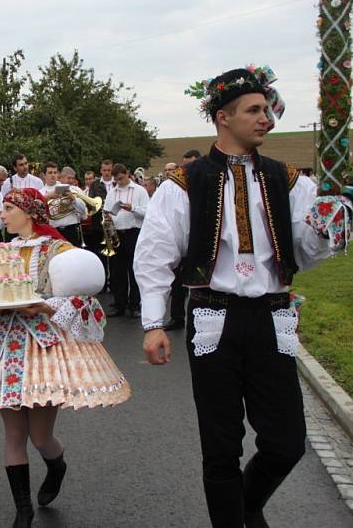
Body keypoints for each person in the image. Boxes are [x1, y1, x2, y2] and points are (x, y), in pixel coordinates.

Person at [134, 66, 331, 527]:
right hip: (213, 317)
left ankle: (247, 503)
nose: (266, 118)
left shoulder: (289, 180)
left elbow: (307, 252)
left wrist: (326, 229)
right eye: (254, 110)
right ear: (224, 116)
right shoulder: (184, 182)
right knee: (221, 444)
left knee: (286, 441)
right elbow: (154, 257)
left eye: (266, 109)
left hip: (272, 316)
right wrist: (152, 324)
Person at [0, 188, 130, 528]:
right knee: (14, 434)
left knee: (40, 436)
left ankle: (56, 464)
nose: (1, 215)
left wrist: (46, 305)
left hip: (45, 344)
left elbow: (83, 299)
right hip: (3, 343)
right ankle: (23, 511)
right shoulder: (0, 251)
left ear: (29, 212)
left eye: (8, 208)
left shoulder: (58, 250)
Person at [103, 164, 149, 318]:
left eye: (121, 178)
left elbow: (148, 212)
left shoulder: (140, 191)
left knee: (134, 270)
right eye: (116, 180)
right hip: (116, 233)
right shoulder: (112, 192)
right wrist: (107, 216)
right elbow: (106, 210)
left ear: (127, 174)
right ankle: (119, 304)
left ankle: (135, 305)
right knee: (117, 271)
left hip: (133, 233)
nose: (119, 182)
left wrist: (133, 208)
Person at [164, 151, 201, 332]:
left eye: (191, 164)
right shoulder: (176, 190)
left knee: (200, 286)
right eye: (185, 165)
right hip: (181, 246)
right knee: (177, 285)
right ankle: (177, 317)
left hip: (200, 244)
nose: (188, 169)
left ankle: (199, 320)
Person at [40, 164, 88, 247]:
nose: (53, 175)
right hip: (53, 231)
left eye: (55, 172)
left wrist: (73, 199)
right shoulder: (41, 193)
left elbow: (84, 211)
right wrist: (47, 197)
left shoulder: (72, 189)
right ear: (44, 175)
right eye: (50, 173)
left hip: (72, 229)